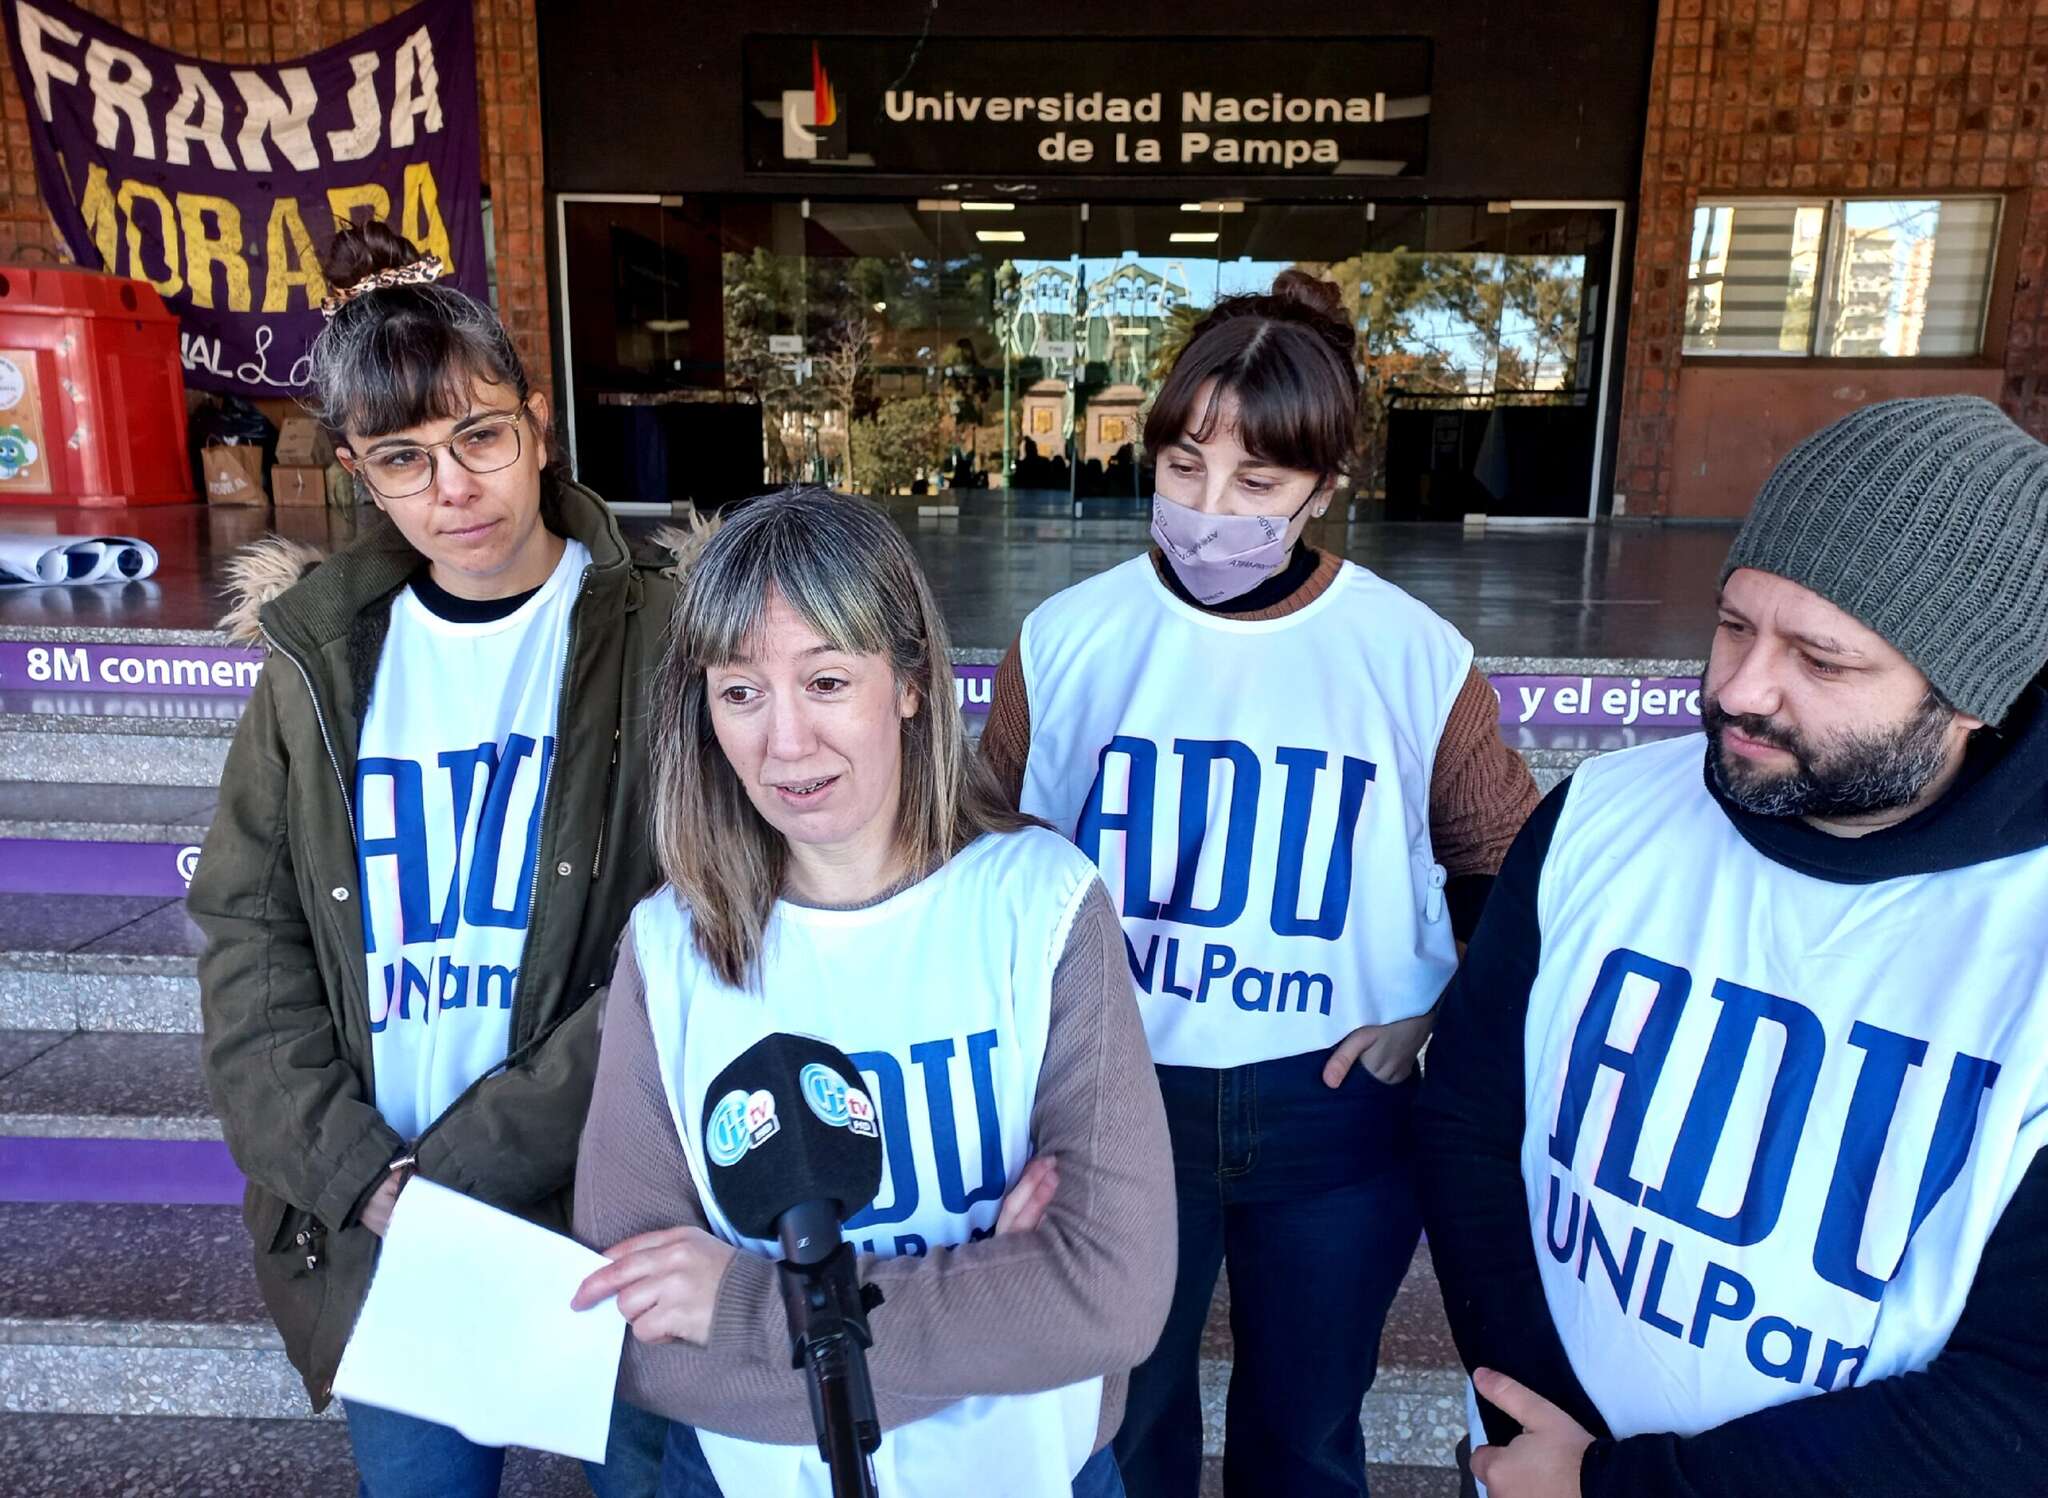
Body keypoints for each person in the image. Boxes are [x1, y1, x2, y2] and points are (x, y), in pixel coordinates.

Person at [1416, 396, 2048, 1497]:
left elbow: (2013, 1401)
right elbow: (1472, 1118)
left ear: (1973, 696)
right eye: (1732, 624)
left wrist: (1614, 1486)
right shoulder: (1603, 812)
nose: (1738, 690)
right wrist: (1533, 1424)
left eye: (1820, 657)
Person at [980, 269, 1540, 1497]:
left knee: (1305, 1440)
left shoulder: (1406, 654)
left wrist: (1434, 1018)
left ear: (1325, 487)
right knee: (1123, 1432)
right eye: (1181, 466)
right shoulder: (1067, 639)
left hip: (1334, 1110)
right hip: (1120, 1102)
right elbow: (984, 859)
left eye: (1256, 482)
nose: (1206, 506)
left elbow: (1510, 868)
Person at [190, 220, 681, 1498]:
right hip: (388, 1221)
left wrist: (463, 1170)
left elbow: (698, 924)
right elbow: (246, 934)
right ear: (360, 470)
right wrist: (358, 1174)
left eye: (479, 438)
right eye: (405, 460)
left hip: (612, 1194)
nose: (452, 488)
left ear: (536, 424)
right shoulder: (319, 662)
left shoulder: (660, 633)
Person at [569, 486, 1176, 1497]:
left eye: (825, 679)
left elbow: (1111, 1297)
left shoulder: (1042, 906)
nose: (786, 742)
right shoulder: (668, 948)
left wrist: (750, 1309)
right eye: (740, 692)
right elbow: (633, 1338)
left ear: (905, 681)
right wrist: (990, 1320)